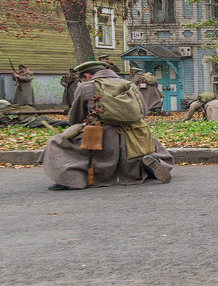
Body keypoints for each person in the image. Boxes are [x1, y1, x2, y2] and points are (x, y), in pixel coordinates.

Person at [40, 60, 173, 189]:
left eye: (83, 78)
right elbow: (143, 111)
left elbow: (75, 118)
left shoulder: (87, 87)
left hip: (101, 136)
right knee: (153, 145)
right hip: (136, 134)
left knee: (57, 142)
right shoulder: (129, 84)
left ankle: (71, 178)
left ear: (87, 75)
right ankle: (149, 164)